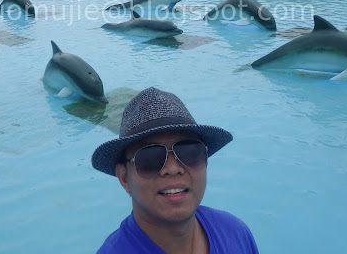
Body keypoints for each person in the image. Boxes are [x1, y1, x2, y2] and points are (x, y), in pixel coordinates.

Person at [91, 86, 259, 253]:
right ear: (124, 178)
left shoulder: (235, 233)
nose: (172, 169)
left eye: (189, 152)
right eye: (150, 158)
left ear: (206, 161)